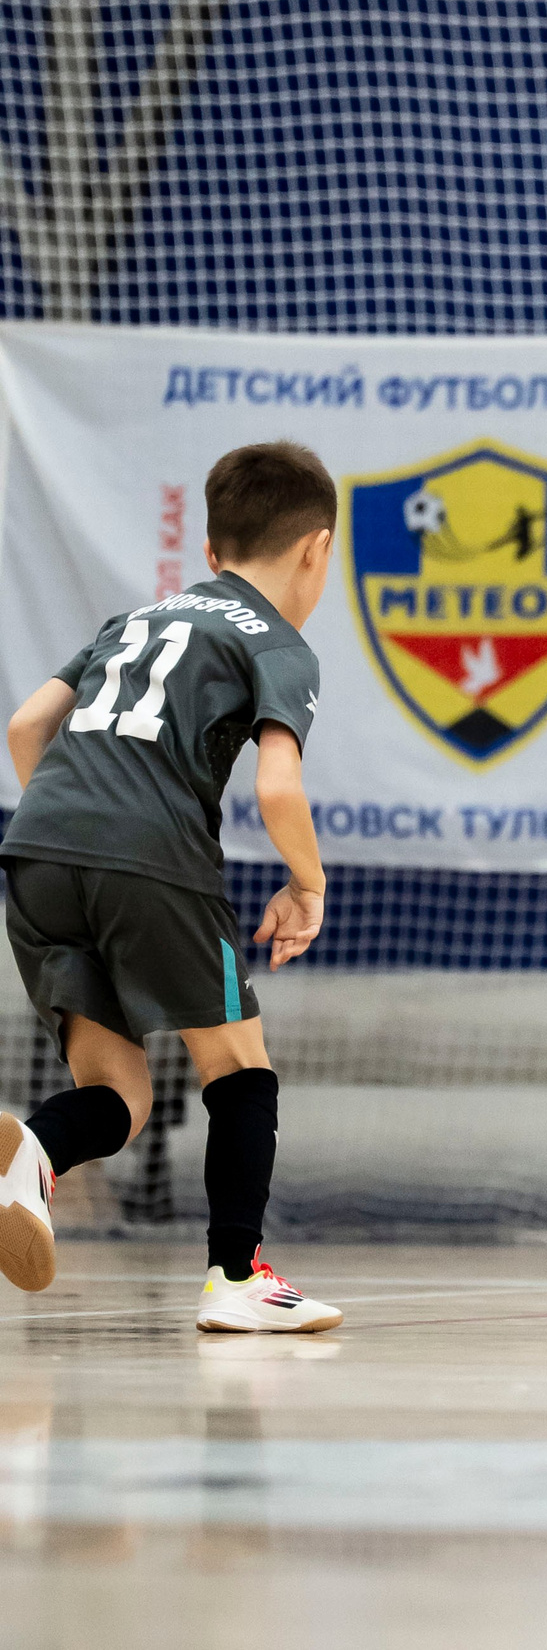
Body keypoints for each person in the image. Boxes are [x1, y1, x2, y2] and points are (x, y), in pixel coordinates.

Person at [0, 441, 340, 1333]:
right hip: (150, 858)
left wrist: (75, 822)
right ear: (318, 549)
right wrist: (308, 884)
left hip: (36, 845)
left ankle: (31, 1153)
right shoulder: (281, 643)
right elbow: (277, 788)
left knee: (121, 1094)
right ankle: (237, 1278)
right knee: (238, 1064)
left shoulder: (134, 619)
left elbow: (28, 723)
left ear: (212, 551)